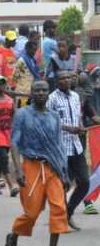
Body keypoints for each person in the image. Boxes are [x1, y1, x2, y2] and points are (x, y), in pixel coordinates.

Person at [4, 81, 69, 246]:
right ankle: (14, 234)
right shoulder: (22, 114)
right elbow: (14, 143)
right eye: (37, 90)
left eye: (44, 90)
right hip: (31, 166)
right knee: (32, 213)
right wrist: (18, 170)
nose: (41, 93)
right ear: (31, 94)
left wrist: (63, 171)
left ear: (48, 93)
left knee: (59, 209)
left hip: (53, 167)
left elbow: (58, 146)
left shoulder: (54, 117)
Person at [46, 70, 88, 231]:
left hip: (76, 147)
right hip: (60, 148)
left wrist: (81, 127)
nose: (66, 80)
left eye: (68, 78)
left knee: (84, 182)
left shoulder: (76, 96)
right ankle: (59, 219)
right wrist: (68, 128)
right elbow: (48, 121)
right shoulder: (51, 99)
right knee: (62, 185)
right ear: (56, 81)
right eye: (62, 78)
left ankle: (68, 212)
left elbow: (78, 117)